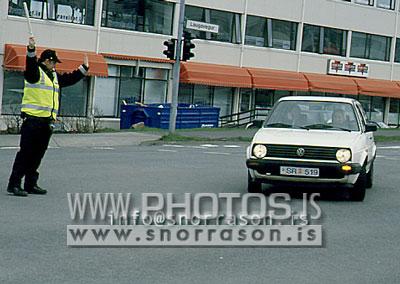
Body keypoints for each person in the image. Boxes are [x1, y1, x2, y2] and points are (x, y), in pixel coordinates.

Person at [7, 36, 89, 197]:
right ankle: (14, 184)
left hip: (46, 123)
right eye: (53, 62)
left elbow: (69, 78)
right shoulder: (34, 73)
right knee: (25, 153)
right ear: (45, 61)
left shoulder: (53, 77)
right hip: (32, 121)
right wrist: (31, 50)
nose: (54, 65)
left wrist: (83, 69)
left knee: (38, 154)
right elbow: (30, 65)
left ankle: (31, 184)